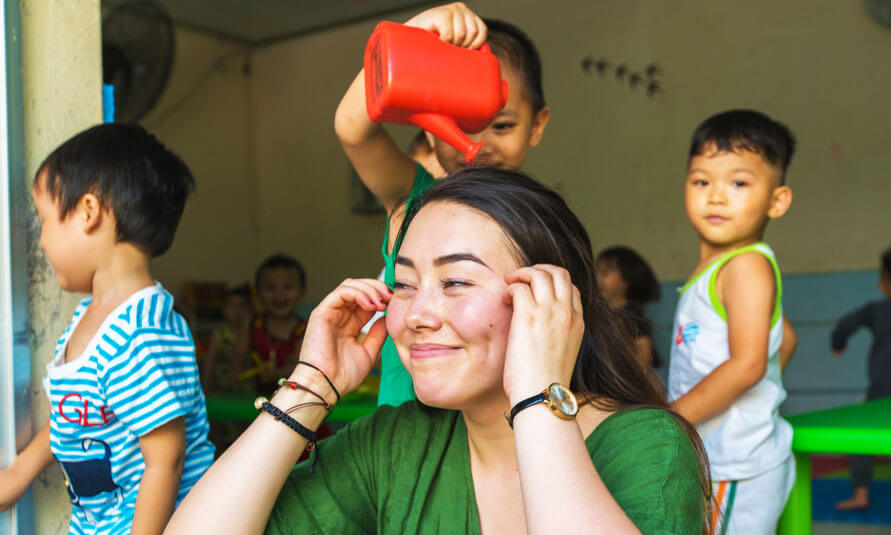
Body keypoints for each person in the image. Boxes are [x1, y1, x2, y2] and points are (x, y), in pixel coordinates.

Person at [166, 168, 710, 534]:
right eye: (403, 284)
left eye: (455, 282)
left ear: (551, 301)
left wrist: (538, 397)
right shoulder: (395, 443)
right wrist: (309, 386)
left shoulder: (645, 445)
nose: (417, 315)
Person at [0, 124, 214, 534]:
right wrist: (19, 473)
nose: (41, 241)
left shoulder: (142, 332)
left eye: (44, 221)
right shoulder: (92, 316)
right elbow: (76, 414)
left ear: (88, 212)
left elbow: (165, 461)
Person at [334, 2, 551, 407]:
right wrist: (410, 39)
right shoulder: (412, 199)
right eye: (460, 122)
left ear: (536, 125)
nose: (479, 143)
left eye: (502, 125)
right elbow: (352, 128)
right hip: (406, 433)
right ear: (427, 124)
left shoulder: (544, 221)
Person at [668, 110, 797, 534]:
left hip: (736, 462)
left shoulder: (745, 266)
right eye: (701, 181)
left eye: (738, 183)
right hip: (723, 457)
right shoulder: (723, 268)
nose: (717, 197)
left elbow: (749, 364)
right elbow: (785, 339)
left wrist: (671, 418)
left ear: (777, 201)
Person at [830, 247, 891, 511]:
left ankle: (861, 493)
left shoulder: (876, 310)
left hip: (883, 386)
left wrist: (838, 343)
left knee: (862, 434)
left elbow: (845, 325)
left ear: (884, 284)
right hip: (882, 386)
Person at [240, 254, 308, 394]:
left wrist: (276, 374)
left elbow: (303, 367)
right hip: (253, 397)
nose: (279, 295)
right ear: (258, 293)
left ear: (302, 292)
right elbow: (238, 357)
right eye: (270, 288)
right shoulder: (253, 324)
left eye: (287, 287)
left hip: (293, 398)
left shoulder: (305, 329)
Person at [595, 246, 662, 371]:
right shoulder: (600, 315)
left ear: (627, 279)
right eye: (596, 272)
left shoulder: (633, 318)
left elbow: (643, 357)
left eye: (605, 273)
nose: (598, 278)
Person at [201, 285, 253, 395]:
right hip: (221, 387)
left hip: (248, 388)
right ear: (223, 310)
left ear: (250, 310)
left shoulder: (254, 333)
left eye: (242, 306)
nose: (237, 311)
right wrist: (205, 387)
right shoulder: (219, 334)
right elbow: (210, 360)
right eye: (231, 306)